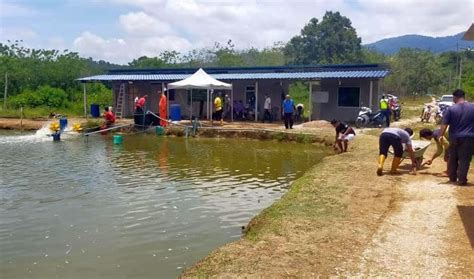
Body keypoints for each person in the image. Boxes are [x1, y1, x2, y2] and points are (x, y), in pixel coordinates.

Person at [438, 89, 474, 186]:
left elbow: (444, 124)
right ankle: (462, 180)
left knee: (453, 158)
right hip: (469, 137)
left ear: (454, 97)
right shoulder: (472, 107)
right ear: (464, 96)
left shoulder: (451, 109)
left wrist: (440, 135)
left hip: (454, 137)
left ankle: (452, 177)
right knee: (464, 159)